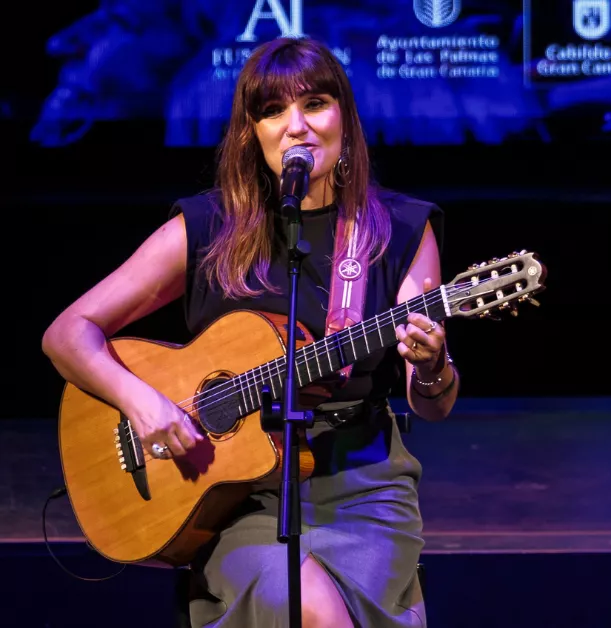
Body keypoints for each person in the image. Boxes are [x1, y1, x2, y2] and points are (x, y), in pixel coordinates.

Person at [41, 36, 459, 627]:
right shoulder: (208, 226)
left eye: (315, 104)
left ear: (344, 116)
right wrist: (142, 403)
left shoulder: (399, 229)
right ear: (251, 132)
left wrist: (433, 366)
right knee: (315, 613)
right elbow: (68, 332)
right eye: (272, 111)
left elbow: (431, 401)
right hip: (239, 497)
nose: (297, 127)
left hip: (362, 488)